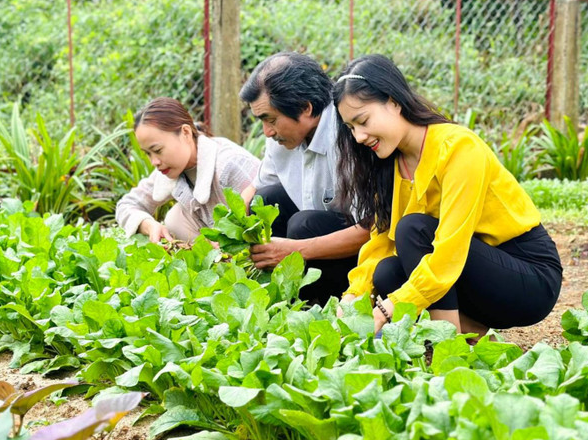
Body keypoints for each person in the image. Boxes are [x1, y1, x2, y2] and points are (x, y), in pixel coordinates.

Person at [334, 55, 562, 336]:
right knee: (387, 271)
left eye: (363, 121)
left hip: (526, 275)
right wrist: (353, 296)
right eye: (351, 128)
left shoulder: (457, 148)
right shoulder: (388, 164)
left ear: (393, 101)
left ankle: (448, 347)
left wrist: (389, 307)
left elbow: (449, 251)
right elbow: (381, 243)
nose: (358, 137)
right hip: (472, 272)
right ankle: (469, 331)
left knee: (413, 230)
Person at [239, 52, 370, 305]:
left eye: (271, 119)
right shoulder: (280, 138)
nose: (267, 131)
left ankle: (317, 307)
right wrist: (229, 224)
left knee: (303, 224)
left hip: (361, 260)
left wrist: (294, 249)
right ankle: (276, 297)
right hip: (319, 237)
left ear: (305, 108)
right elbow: (258, 185)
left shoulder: (349, 134)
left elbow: (372, 231)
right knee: (263, 200)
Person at [116, 97, 259, 244]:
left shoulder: (231, 164)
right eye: (147, 153)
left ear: (185, 132)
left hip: (256, 251)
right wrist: (149, 225)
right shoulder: (169, 170)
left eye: (157, 150)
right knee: (175, 219)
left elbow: (267, 212)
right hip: (220, 257)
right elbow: (127, 204)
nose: (154, 162)